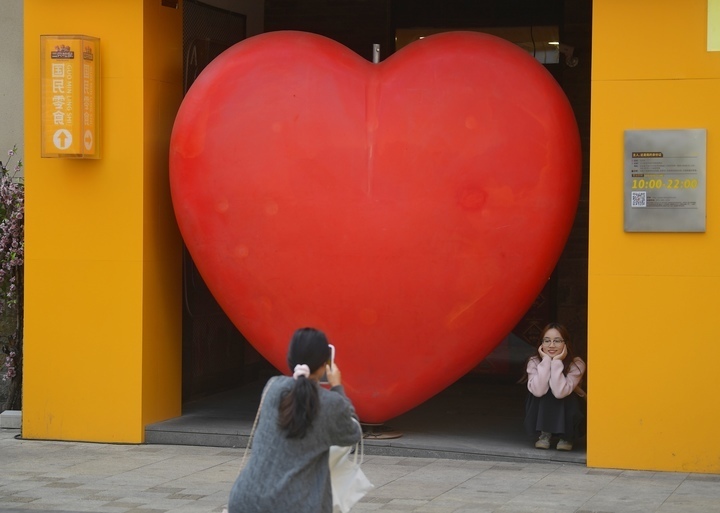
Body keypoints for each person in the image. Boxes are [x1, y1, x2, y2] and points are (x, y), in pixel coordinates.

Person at [228, 327, 362, 513]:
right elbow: (353, 432)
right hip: (296, 505)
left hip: (245, 500)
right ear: (325, 364)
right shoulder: (331, 404)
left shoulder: (273, 386)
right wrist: (337, 387)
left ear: (290, 360)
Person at [524, 322, 586, 451]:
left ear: (566, 343)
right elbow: (538, 391)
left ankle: (566, 437)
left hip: (569, 407)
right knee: (543, 390)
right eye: (547, 341)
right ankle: (544, 433)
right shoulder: (534, 361)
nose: (551, 345)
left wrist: (557, 362)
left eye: (557, 341)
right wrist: (546, 361)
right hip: (541, 401)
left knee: (559, 391)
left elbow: (560, 392)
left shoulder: (577, 363)